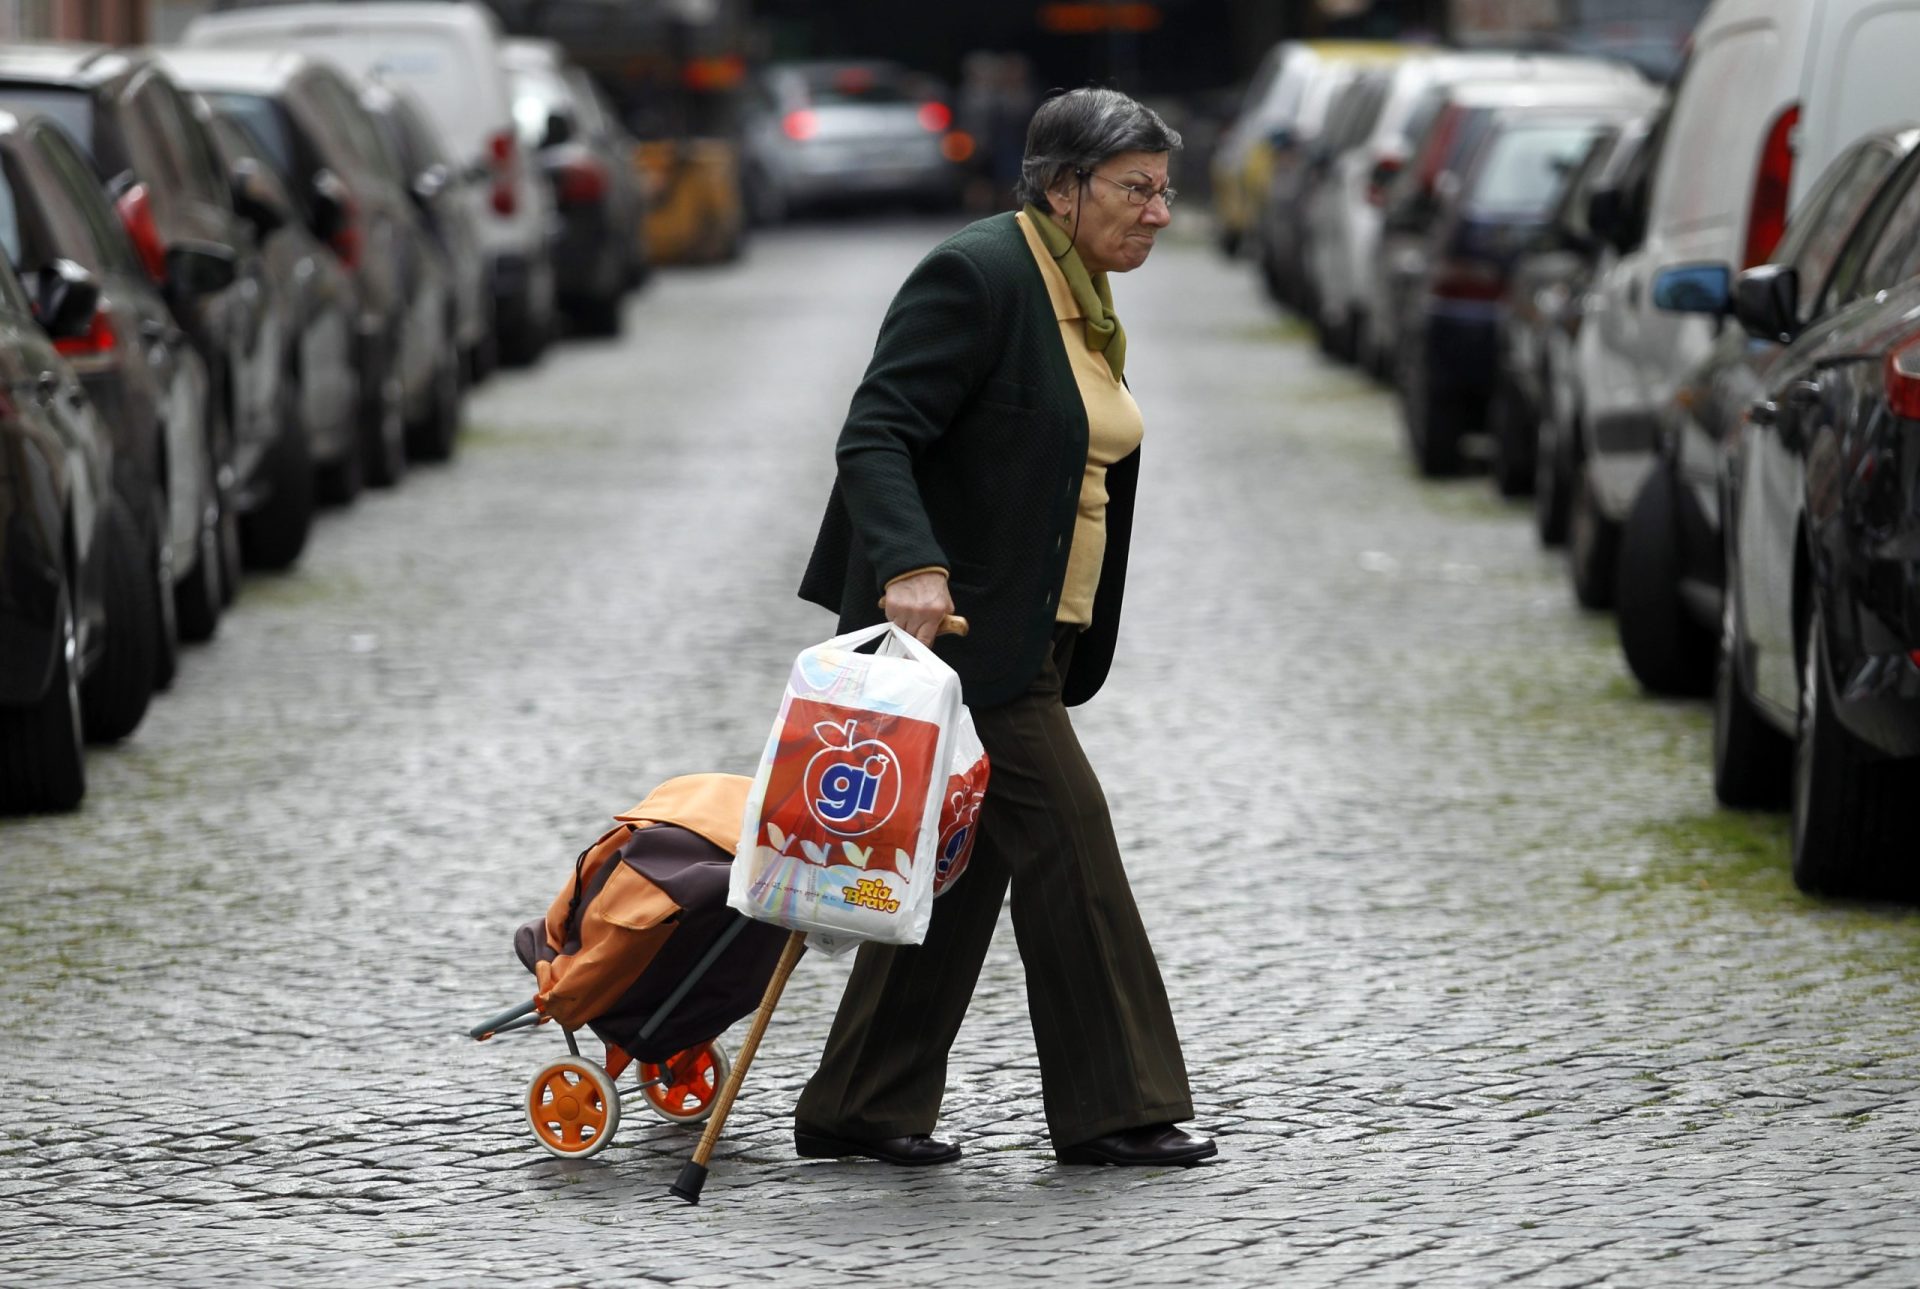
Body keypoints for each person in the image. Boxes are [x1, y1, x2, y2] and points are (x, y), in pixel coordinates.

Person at [792, 86, 1213, 1169]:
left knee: (961, 863)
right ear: (1062, 188)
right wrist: (912, 565)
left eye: (1165, 190)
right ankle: (1118, 1104)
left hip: (1033, 631)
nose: (1159, 212)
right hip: (965, 639)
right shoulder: (979, 275)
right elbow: (875, 431)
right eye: (1136, 189)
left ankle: (860, 1100)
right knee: (1072, 850)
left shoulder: (1082, 296)